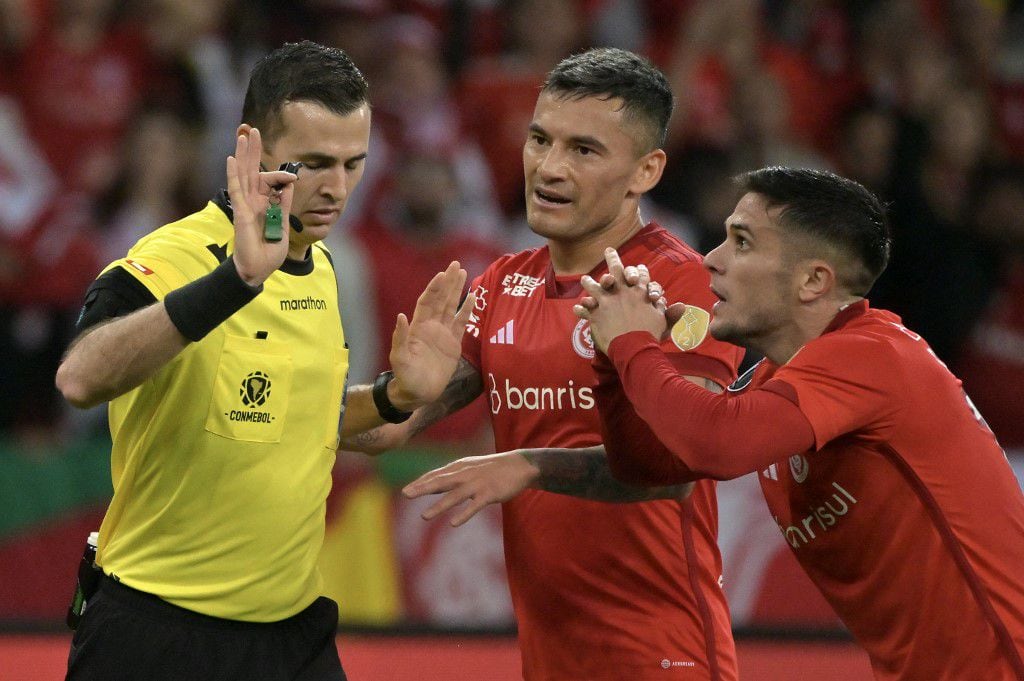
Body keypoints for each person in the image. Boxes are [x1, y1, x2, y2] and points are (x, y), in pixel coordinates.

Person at [55, 41, 473, 681]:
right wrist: (236, 281)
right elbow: (80, 377)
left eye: (353, 164)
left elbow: (296, 418)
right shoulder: (178, 255)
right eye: (313, 164)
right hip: (159, 635)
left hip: (292, 635)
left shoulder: (324, 268)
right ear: (251, 145)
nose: (336, 188)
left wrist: (394, 397)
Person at [350, 48, 744, 680]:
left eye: (584, 150)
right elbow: (380, 433)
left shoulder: (682, 285)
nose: (548, 167)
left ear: (646, 170)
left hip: (663, 656)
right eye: (540, 139)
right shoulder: (503, 285)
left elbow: (678, 464)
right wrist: (395, 392)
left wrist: (529, 465)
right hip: (548, 658)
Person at [576, 167, 1024, 680]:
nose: (712, 260)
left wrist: (634, 345)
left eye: (742, 243)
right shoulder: (781, 382)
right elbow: (648, 464)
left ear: (813, 280)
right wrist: (614, 362)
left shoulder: (874, 355)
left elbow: (714, 442)